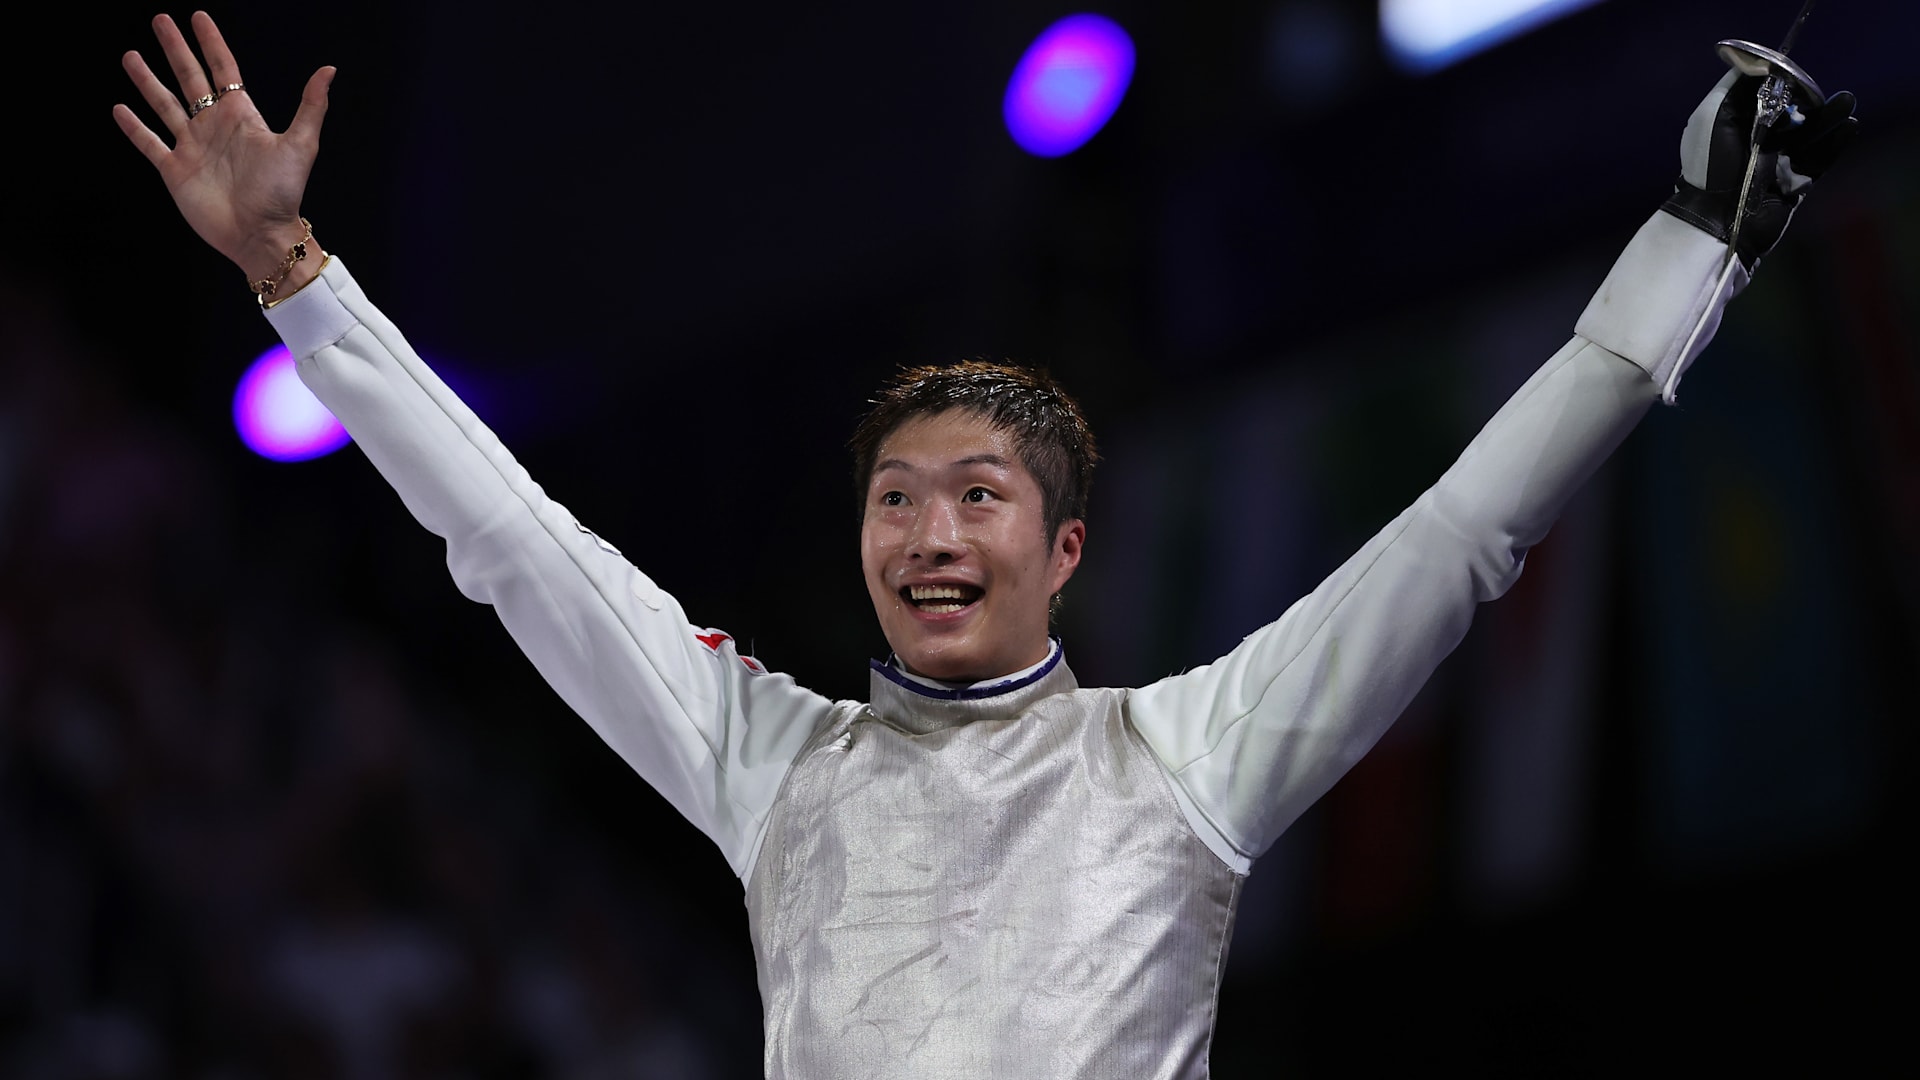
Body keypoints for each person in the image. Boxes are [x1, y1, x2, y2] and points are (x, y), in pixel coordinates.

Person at [115, 11, 1856, 1078]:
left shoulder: (1185, 761)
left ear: (1067, 545)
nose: (930, 532)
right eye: (896, 498)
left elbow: (1468, 532)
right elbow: (511, 540)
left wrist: (1696, 239)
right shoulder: (771, 764)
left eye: (977, 497)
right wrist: (297, 282)